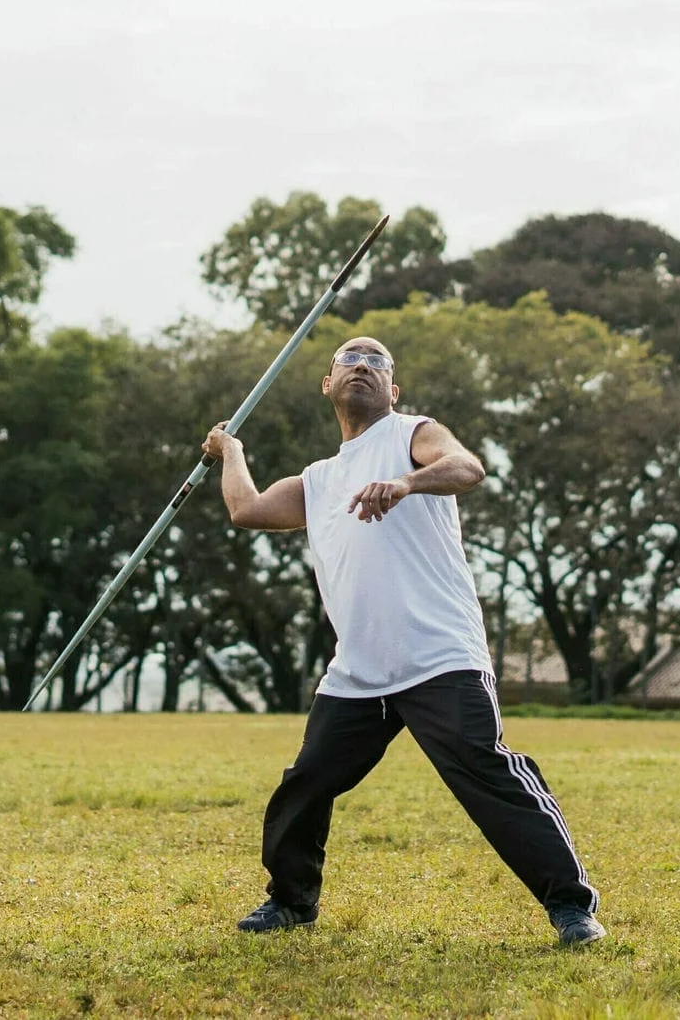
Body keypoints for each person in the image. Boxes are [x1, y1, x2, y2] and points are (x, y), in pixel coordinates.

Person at [201, 335, 605, 947]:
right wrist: (230, 449)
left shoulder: (413, 434)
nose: (363, 365)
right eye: (349, 359)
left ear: (393, 390)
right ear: (327, 384)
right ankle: (290, 901)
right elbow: (248, 509)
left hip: (439, 656)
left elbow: (468, 467)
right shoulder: (319, 479)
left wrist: (408, 483)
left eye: (377, 362)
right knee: (306, 782)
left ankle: (572, 908)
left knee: (484, 770)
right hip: (359, 671)